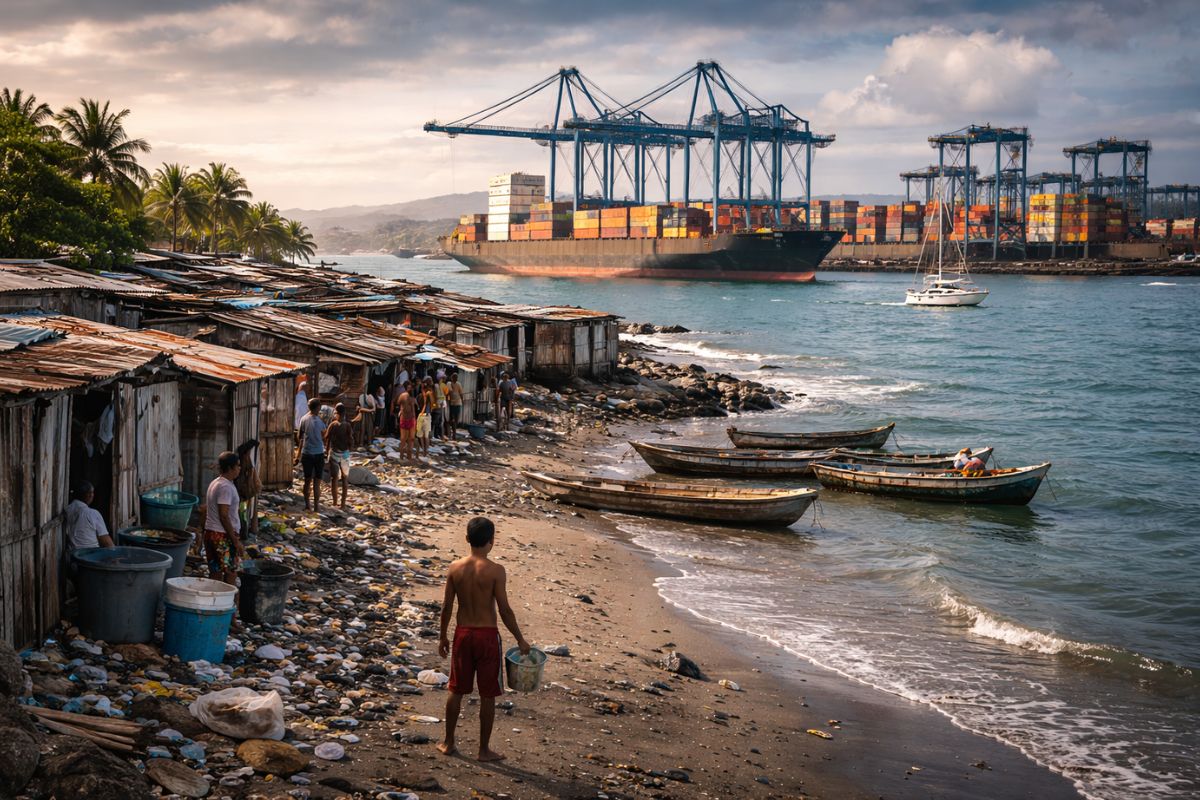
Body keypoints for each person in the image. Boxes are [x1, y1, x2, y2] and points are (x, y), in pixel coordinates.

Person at [438, 517, 531, 762]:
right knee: (488, 693)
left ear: (467, 539)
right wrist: (520, 639)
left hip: (462, 634)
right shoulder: (496, 571)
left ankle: (448, 742)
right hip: (487, 636)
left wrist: (442, 637)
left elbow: (447, 607)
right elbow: (505, 610)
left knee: (455, 689)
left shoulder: (455, 567)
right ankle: (483, 750)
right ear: (492, 541)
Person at [202, 451, 247, 600]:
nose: (240, 469)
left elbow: (206, 509)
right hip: (222, 536)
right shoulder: (226, 487)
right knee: (231, 576)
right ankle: (231, 617)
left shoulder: (215, 483)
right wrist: (235, 541)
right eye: (238, 466)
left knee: (215, 574)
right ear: (230, 467)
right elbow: (223, 515)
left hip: (210, 533)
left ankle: (214, 609)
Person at [295, 398, 327, 513]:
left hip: (307, 453)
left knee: (307, 480)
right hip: (318, 453)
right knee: (317, 482)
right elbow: (324, 436)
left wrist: (297, 455)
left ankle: (308, 505)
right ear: (317, 408)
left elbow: (300, 437)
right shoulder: (320, 421)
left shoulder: (303, 419)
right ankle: (317, 507)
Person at [65, 481, 113, 550]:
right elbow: (107, 542)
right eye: (92, 492)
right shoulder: (92, 513)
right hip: (90, 555)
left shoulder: (67, 510)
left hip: (72, 553)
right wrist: (116, 556)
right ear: (89, 495)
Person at [325, 403, 353, 511]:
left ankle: (335, 502)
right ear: (344, 413)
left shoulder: (333, 425)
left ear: (336, 413)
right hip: (345, 454)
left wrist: (327, 451)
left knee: (334, 479)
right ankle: (343, 504)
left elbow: (327, 438)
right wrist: (349, 449)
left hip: (334, 454)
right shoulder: (347, 425)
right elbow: (351, 440)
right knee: (345, 479)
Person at [234, 439, 262, 539]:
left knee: (242, 513)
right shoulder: (244, 467)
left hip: (243, 494)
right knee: (242, 513)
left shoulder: (246, 466)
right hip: (242, 494)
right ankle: (243, 533)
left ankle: (243, 532)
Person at [396, 381, 417, 462]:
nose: (410, 388)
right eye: (409, 386)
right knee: (405, 439)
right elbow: (398, 403)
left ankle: (406, 457)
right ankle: (404, 457)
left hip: (408, 418)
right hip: (406, 418)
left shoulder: (408, 397)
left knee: (409, 438)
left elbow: (398, 403)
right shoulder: (405, 396)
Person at [416, 377, 434, 456]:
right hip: (427, 415)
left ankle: (423, 449)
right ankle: (425, 451)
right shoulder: (429, 394)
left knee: (420, 435)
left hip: (421, 415)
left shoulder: (419, 396)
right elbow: (433, 404)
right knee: (426, 435)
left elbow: (418, 406)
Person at [447, 373, 464, 440]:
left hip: (457, 403)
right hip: (452, 403)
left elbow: (461, 393)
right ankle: (453, 432)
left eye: (456, 377)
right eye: (454, 377)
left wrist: (462, 400)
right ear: (452, 378)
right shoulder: (449, 384)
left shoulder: (458, 384)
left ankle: (454, 432)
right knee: (452, 419)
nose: (456, 379)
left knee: (456, 419)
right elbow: (448, 393)